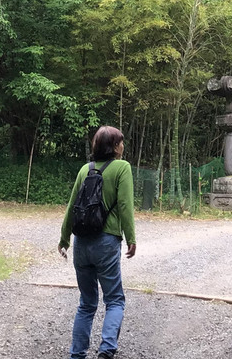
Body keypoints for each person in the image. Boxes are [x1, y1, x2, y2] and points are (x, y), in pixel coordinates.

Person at [59, 126, 137, 359]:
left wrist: (64, 239)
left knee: (87, 303)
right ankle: (106, 350)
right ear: (114, 146)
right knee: (114, 300)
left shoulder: (85, 169)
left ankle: (77, 354)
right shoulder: (122, 168)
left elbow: (72, 206)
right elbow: (124, 205)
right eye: (120, 142)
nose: (123, 146)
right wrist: (131, 238)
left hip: (81, 244)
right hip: (106, 242)